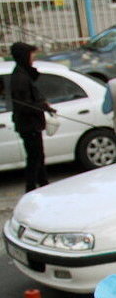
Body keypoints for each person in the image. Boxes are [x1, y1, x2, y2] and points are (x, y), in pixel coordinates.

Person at [9, 42, 55, 192]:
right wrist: (41, 107)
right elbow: (25, 105)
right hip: (29, 125)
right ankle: (31, 187)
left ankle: (43, 184)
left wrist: (46, 107)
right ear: (24, 56)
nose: (34, 57)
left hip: (32, 123)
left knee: (38, 156)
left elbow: (33, 95)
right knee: (34, 157)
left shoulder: (24, 73)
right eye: (31, 54)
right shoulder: (19, 78)